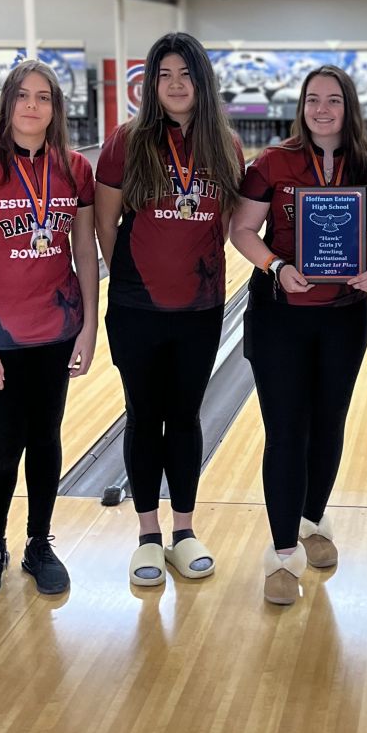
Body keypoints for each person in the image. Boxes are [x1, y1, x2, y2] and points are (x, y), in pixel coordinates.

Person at [230, 65, 367, 606]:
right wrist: (276, 265)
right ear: (301, 106)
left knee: (328, 424)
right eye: (312, 100)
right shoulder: (272, 163)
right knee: (286, 430)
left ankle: (310, 520)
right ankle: (281, 555)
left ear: (349, 107)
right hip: (280, 312)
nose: (322, 109)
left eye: (333, 100)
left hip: (344, 316)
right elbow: (241, 229)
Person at [94, 33, 244, 586]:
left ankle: (184, 531)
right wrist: (135, 276)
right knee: (144, 415)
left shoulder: (224, 144)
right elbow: (104, 224)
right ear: (150, 85)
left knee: (184, 417)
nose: (176, 84)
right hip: (137, 308)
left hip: (201, 308)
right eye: (164, 75)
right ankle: (147, 536)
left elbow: (226, 224)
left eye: (186, 74)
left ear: (201, 81)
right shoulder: (126, 142)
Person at [0, 60, 98, 595]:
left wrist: (89, 328)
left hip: (55, 331)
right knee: (4, 444)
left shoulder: (75, 167)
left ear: (56, 108)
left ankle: (38, 544)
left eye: (44, 97)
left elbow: (85, 252)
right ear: (6, 104)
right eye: (23, 96)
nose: (33, 106)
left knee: (46, 440)